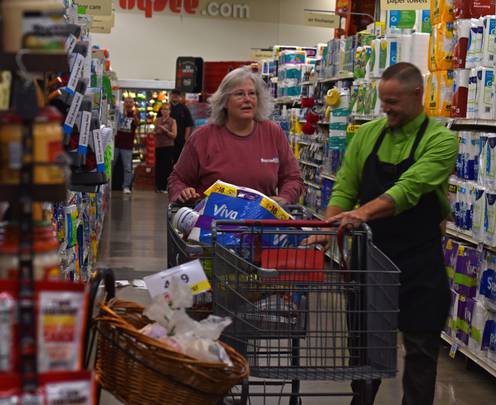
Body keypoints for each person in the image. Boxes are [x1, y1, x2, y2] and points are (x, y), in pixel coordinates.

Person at [316, 62, 457, 405]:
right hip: (371, 258)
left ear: (417, 96)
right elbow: (345, 187)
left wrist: (362, 213)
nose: (386, 109)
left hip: (420, 262)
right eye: (383, 101)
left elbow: (410, 188)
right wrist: (325, 229)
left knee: (421, 350)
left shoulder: (441, 141)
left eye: (393, 101)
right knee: (365, 350)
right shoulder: (367, 135)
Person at [168, 67, 304, 205]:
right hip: (213, 224)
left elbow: (292, 178)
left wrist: (285, 197)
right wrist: (183, 192)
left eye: (252, 93)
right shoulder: (202, 137)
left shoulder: (273, 133)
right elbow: (177, 180)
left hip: (261, 223)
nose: (247, 99)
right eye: (239, 94)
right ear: (224, 101)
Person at [114, 96, 140, 194]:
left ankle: (126, 186)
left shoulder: (135, 112)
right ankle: (108, 184)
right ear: (124, 103)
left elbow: (138, 124)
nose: (129, 103)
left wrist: (134, 116)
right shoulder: (119, 112)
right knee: (112, 164)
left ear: (133, 103)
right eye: (127, 101)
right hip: (116, 142)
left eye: (130, 102)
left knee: (127, 167)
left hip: (127, 144)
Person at [153, 103, 177, 193]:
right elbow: (154, 132)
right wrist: (157, 132)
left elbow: (174, 135)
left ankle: (166, 187)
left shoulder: (172, 121)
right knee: (158, 167)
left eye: (167, 109)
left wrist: (165, 131)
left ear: (170, 111)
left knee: (167, 167)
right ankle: (158, 186)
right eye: (163, 109)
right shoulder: (157, 120)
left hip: (168, 146)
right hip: (159, 146)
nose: (165, 111)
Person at [170, 89, 195, 162]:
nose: (175, 97)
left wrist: (185, 139)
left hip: (180, 140)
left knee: (179, 160)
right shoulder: (165, 107)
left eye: (176, 96)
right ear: (170, 96)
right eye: (173, 95)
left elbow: (188, 125)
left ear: (179, 97)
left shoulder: (184, 109)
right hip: (167, 140)